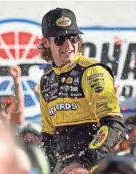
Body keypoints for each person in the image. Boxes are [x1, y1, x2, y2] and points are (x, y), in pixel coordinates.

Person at [38, 8, 125, 173]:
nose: (68, 45)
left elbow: (114, 126)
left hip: (94, 167)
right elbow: (48, 140)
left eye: (73, 37)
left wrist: (85, 163)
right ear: (45, 43)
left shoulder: (92, 72)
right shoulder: (46, 81)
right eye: (60, 39)